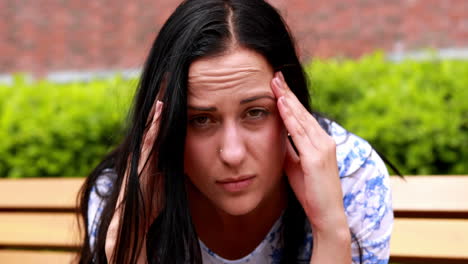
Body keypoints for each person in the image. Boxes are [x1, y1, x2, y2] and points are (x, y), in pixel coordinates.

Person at [78, 0, 393, 263]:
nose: (232, 153)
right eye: (201, 119)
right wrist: (129, 247)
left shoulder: (351, 179)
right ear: (166, 123)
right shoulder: (121, 194)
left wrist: (331, 231)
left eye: (256, 112)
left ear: (291, 104)